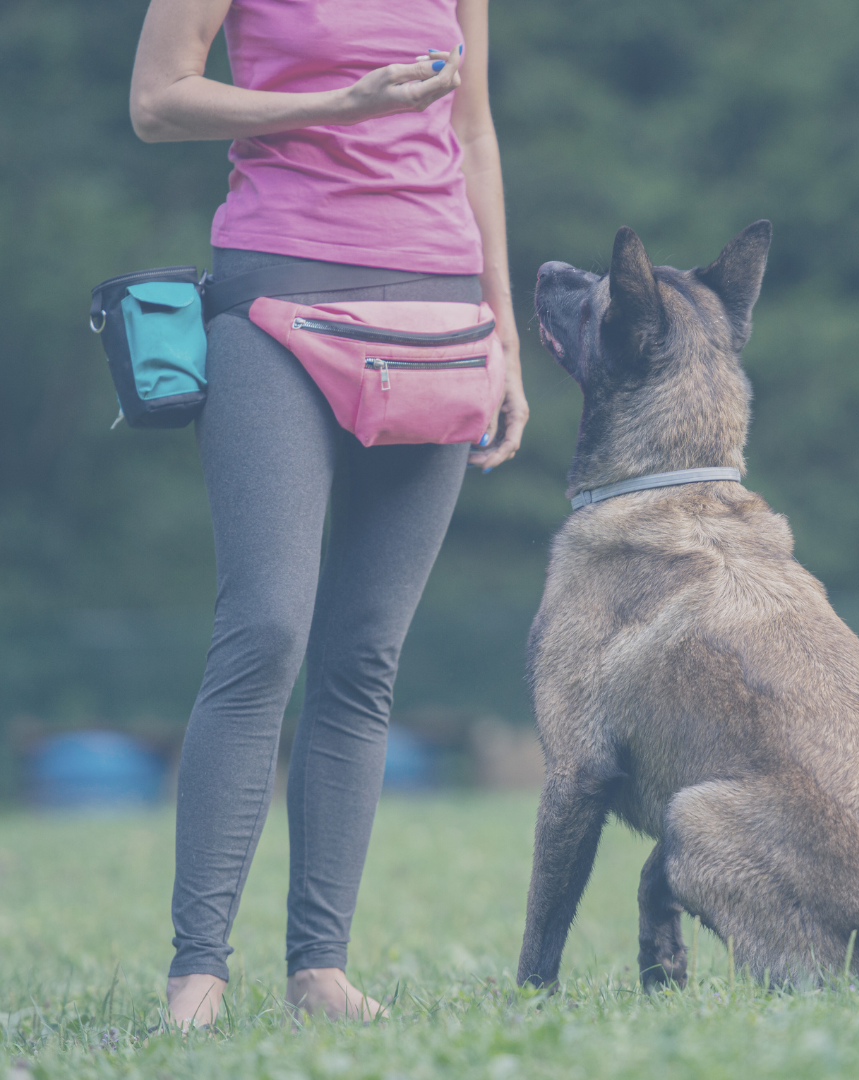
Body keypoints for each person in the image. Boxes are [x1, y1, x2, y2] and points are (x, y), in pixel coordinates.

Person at [129, 0, 528, 1028]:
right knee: (264, 627)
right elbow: (156, 102)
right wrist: (333, 104)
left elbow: (473, 129)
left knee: (362, 658)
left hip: (440, 310)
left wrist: (504, 333)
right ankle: (197, 970)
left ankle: (320, 968)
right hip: (276, 297)